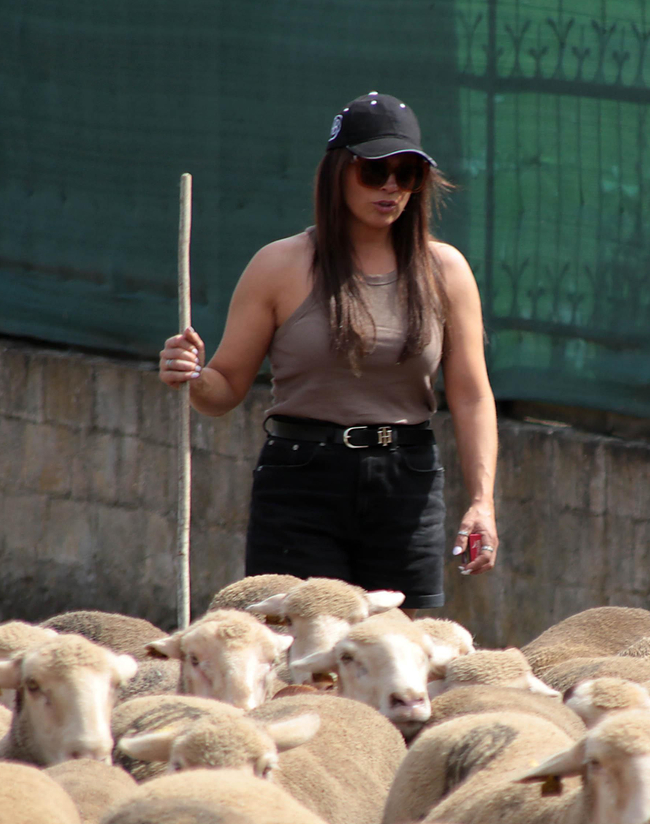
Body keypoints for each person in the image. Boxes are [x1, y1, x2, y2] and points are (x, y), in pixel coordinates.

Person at [158, 91, 497, 609]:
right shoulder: (279, 265)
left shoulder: (445, 270)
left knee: (400, 663)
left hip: (406, 482)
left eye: (406, 174)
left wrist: (481, 502)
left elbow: (472, 395)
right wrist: (193, 375)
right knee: (299, 656)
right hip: (301, 481)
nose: (390, 186)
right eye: (374, 170)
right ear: (337, 172)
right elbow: (222, 390)